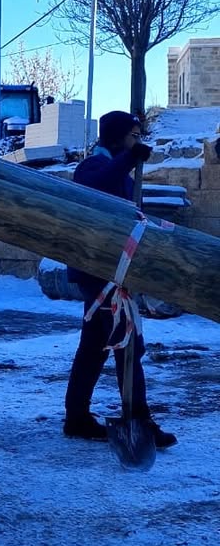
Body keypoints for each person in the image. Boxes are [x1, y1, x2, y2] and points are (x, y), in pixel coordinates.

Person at [63, 110, 177, 448]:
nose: (137, 141)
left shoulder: (117, 169)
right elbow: (96, 185)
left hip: (113, 269)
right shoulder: (91, 166)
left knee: (94, 348)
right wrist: (130, 158)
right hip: (100, 272)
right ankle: (137, 420)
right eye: (133, 136)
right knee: (127, 346)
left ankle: (77, 417)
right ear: (116, 138)